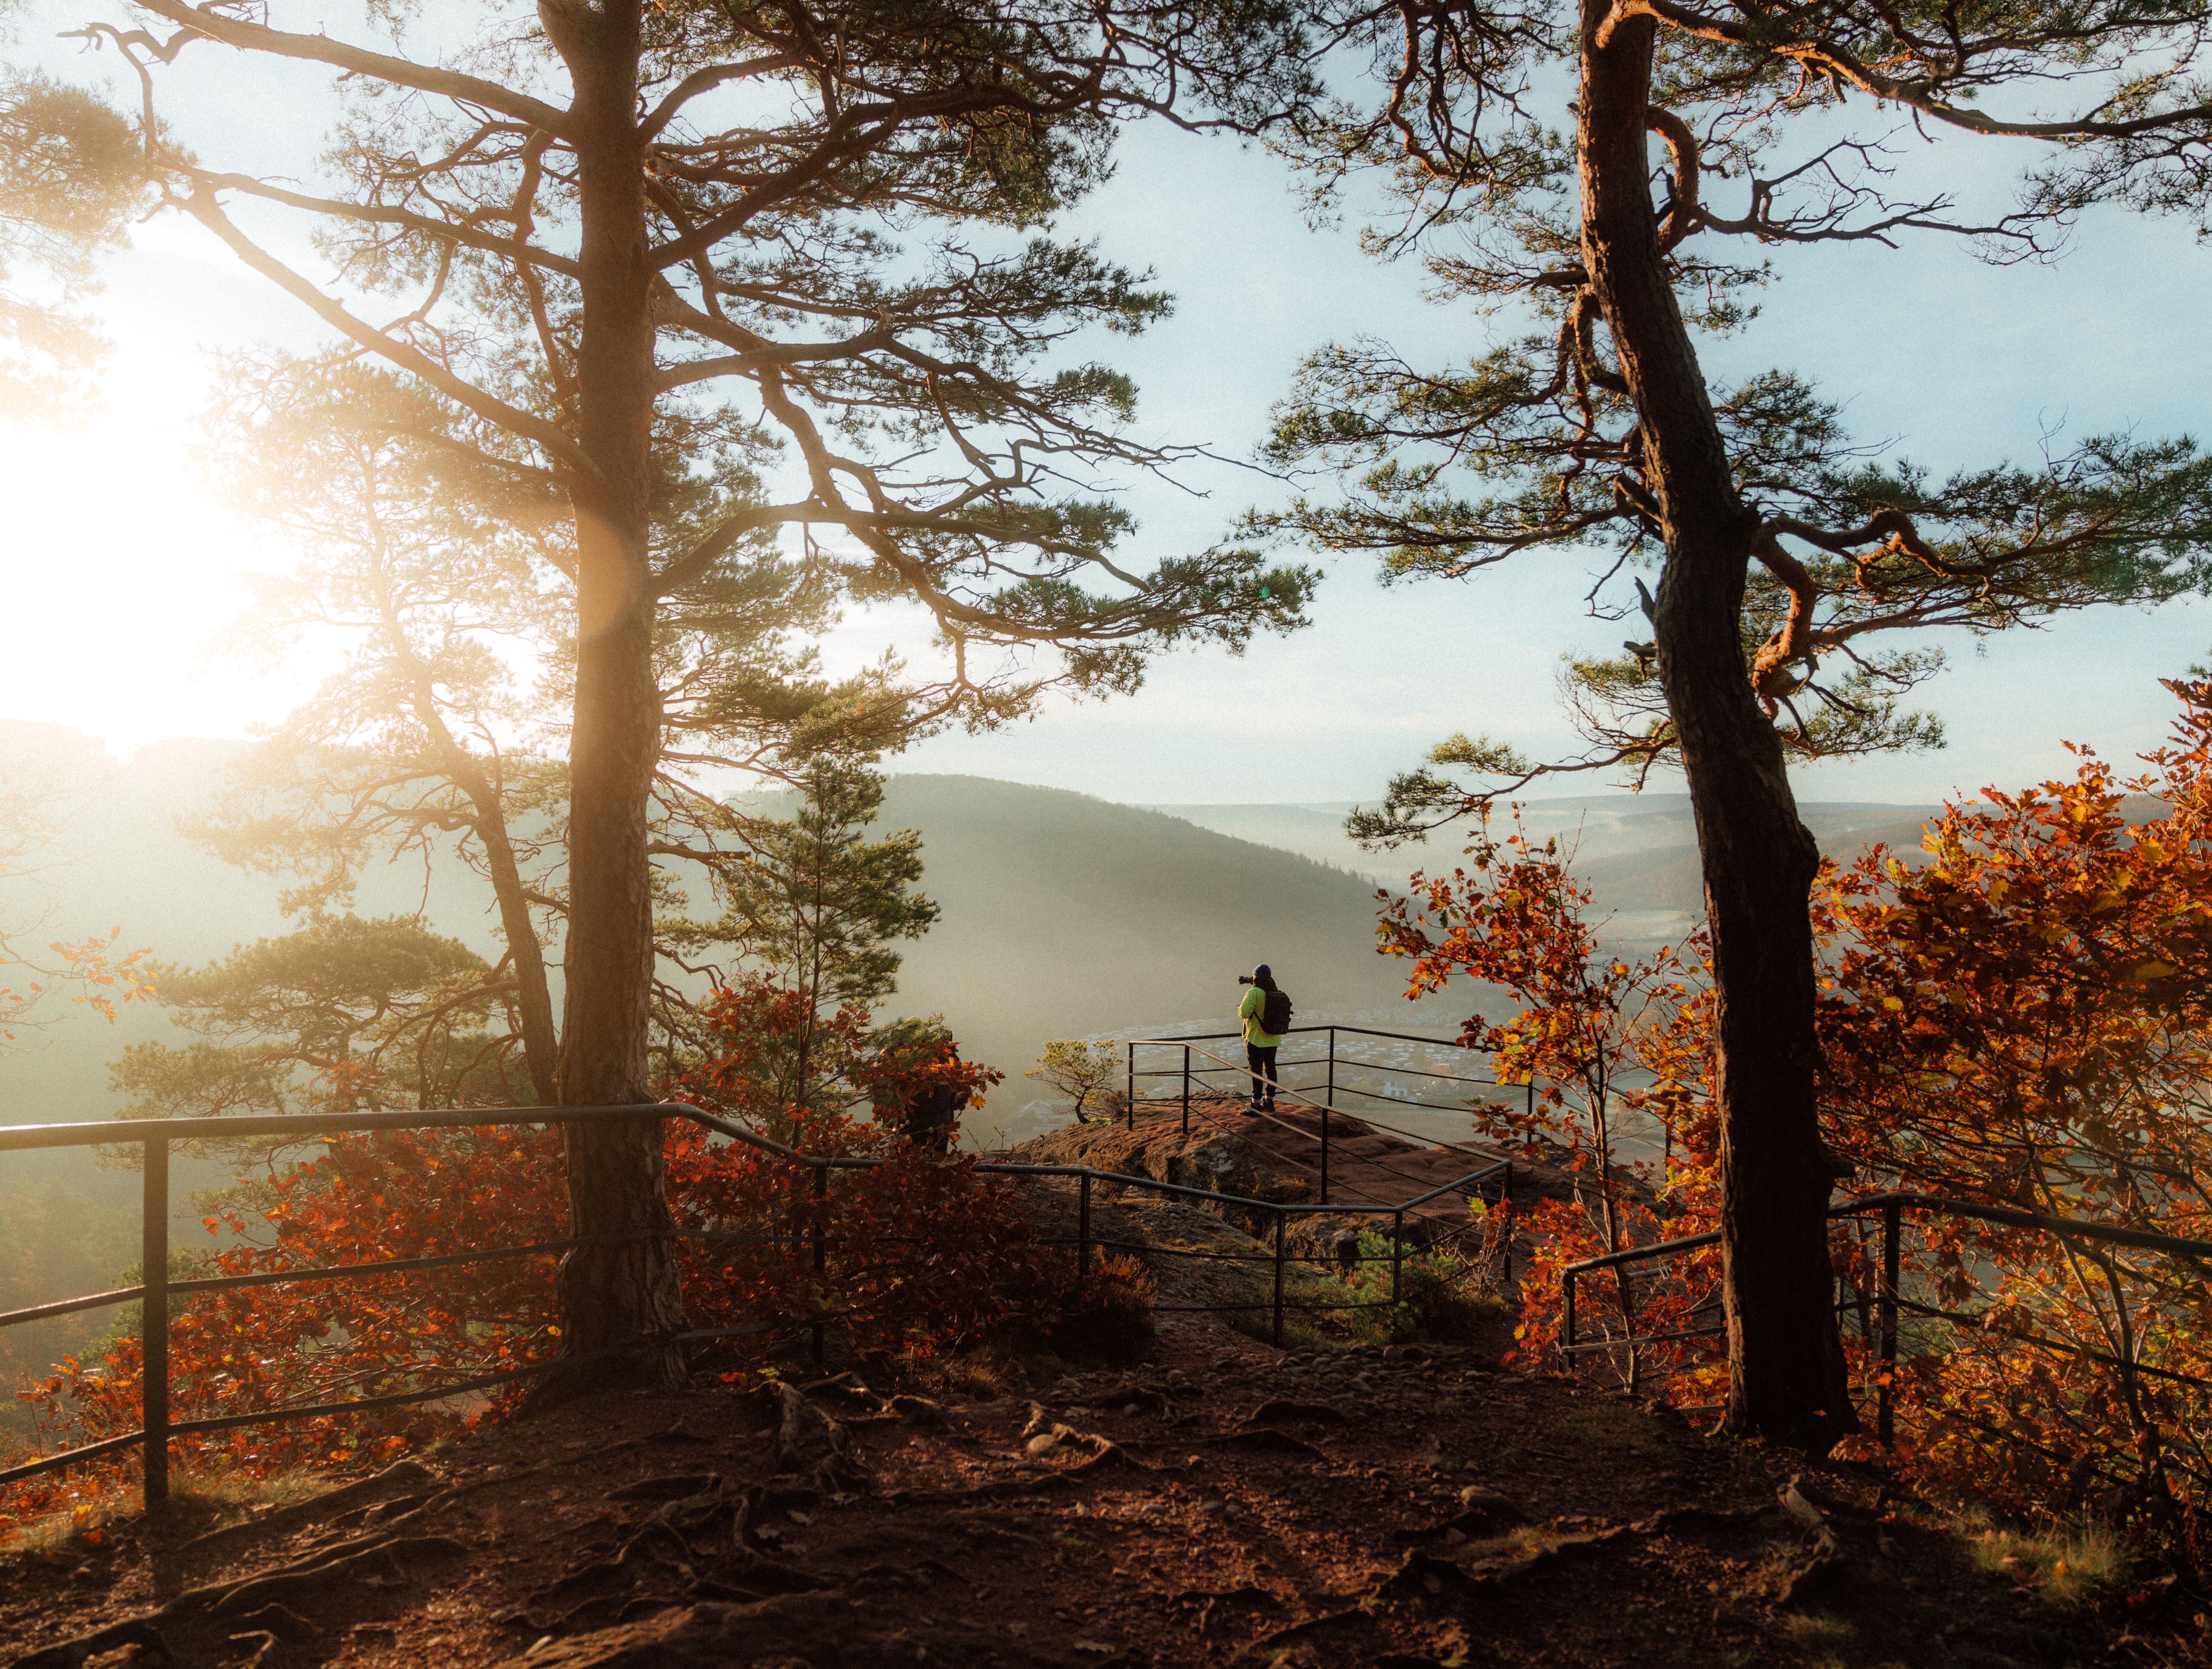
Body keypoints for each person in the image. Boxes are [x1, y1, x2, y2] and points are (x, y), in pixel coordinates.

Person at [1238, 963, 1284, 1112]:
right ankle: (1269, 1102)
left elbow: (1244, 1013)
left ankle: (1255, 1105)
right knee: (1271, 1069)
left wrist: (1240, 1008)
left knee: (1256, 1071)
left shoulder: (1254, 993)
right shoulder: (1275, 992)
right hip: (1273, 1037)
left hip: (1256, 1038)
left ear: (1255, 978)